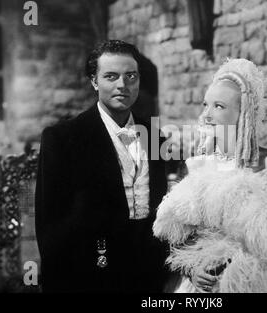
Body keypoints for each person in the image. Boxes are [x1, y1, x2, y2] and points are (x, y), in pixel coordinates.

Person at [153, 58, 267, 293]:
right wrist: (192, 269)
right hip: (206, 277)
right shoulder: (199, 164)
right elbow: (183, 233)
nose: (206, 114)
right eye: (205, 104)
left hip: (256, 274)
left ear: (244, 113)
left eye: (218, 106)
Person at [35, 40, 168, 292]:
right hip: (90, 275)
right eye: (111, 76)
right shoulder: (63, 138)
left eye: (131, 76)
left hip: (149, 276)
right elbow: (50, 227)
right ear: (94, 81)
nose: (122, 85)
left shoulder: (154, 135)